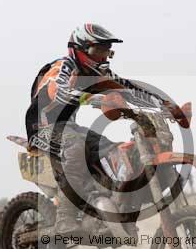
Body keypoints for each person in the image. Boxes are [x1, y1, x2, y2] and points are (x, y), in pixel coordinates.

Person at [25, 23, 186, 235]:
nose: (102, 56)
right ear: (79, 48)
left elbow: (129, 90)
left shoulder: (98, 73)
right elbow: (60, 92)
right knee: (76, 147)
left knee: (113, 151)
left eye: (106, 51)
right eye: (97, 50)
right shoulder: (63, 66)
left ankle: (106, 207)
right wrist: (98, 99)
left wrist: (166, 106)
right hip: (43, 128)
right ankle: (65, 218)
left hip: (70, 128)